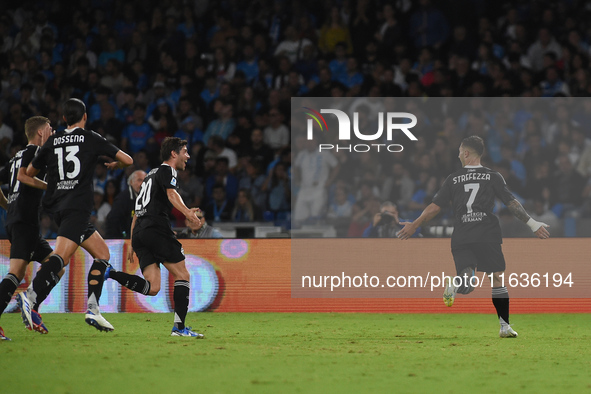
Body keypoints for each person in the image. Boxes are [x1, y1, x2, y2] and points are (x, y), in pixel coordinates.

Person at [397, 136, 550, 338]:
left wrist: (414, 225)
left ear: (467, 153)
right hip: (487, 234)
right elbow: (511, 202)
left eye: (460, 151)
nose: (458, 154)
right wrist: (532, 223)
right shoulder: (493, 176)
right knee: (497, 277)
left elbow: (434, 208)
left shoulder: (453, 178)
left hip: (462, 235)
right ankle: (504, 327)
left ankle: (461, 289)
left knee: (468, 285)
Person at [23, 98, 133, 332]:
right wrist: (115, 165)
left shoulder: (52, 141)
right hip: (77, 207)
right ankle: (30, 295)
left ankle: (93, 310)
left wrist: (51, 181)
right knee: (60, 257)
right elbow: (128, 160)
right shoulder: (90, 137)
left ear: (63, 119)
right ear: (84, 117)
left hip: (59, 208)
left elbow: (30, 172)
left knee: (102, 254)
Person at [105, 137, 204, 337]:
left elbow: (138, 210)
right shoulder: (168, 170)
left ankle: (110, 273)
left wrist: (134, 241)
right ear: (174, 154)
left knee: (152, 288)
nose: (188, 156)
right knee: (183, 275)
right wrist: (187, 213)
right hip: (155, 228)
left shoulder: (150, 175)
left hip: (141, 232)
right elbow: (171, 195)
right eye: (184, 151)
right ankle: (179, 328)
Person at [0, 116, 61, 340]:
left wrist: (8, 205)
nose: (53, 132)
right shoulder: (34, 153)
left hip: (23, 221)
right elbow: (23, 177)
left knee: (57, 264)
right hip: (24, 221)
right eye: (50, 129)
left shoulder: (16, 156)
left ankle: (32, 305)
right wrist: (50, 187)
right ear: (40, 132)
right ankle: (28, 300)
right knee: (16, 272)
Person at [104, 169, 146, 239]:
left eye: (145, 181)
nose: (142, 184)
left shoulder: (150, 197)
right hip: (123, 239)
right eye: (139, 180)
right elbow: (113, 221)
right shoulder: (122, 198)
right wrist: (123, 237)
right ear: (131, 182)